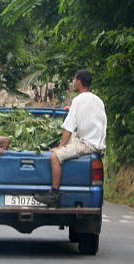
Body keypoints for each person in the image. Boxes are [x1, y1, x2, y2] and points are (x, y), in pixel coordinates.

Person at [34, 70, 107, 206]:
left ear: (79, 81)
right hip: (95, 141)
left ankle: (54, 194)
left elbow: (68, 128)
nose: (74, 82)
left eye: (75, 80)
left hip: (87, 144)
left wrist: (61, 146)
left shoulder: (78, 100)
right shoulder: (98, 100)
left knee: (55, 156)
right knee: (72, 139)